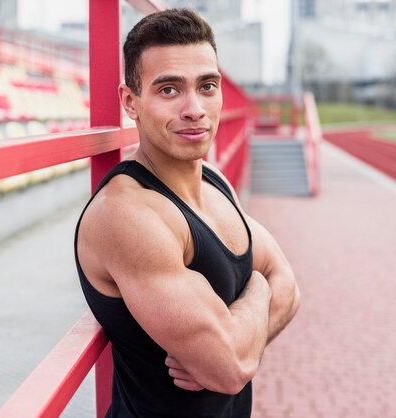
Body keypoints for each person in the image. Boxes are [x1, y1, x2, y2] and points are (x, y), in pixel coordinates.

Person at [74, 8, 300, 418]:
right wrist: (260, 291)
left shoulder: (214, 181)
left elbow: (290, 288)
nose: (195, 108)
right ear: (131, 101)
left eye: (207, 86)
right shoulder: (126, 215)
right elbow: (230, 368)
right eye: (169, 90)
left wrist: (237, 337)